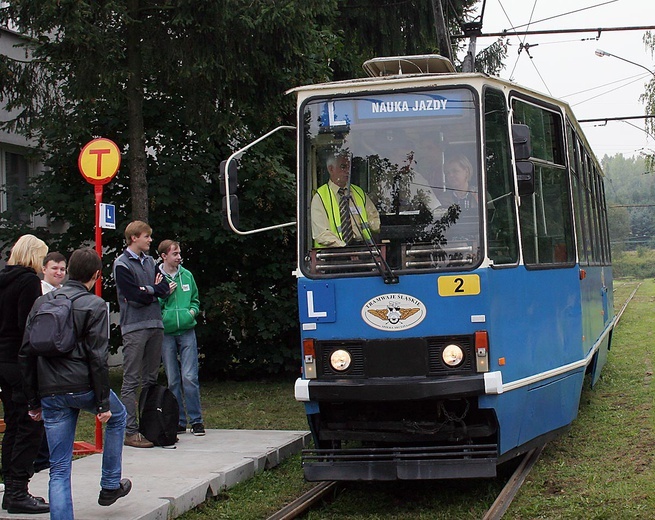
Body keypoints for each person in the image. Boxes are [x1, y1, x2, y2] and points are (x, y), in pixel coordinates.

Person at [20, 248, 131, 519]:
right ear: (96, 275)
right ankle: (109, 484)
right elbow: (97, 357)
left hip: (50, 391)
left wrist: (33, 401)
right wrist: (103, 402)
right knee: (118, 417)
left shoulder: (42, 303)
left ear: (68, 270)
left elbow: (26, 353)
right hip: (84, 387)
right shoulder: (93, 305)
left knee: (58, 468)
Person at [0, 234, 50, 514]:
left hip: (2, 360)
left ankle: (12, 488)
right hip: (19, 362)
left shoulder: (3, 280)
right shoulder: (28, 281)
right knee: (30, 425)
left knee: (13, 425)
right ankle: (18, 489)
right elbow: (27, 326)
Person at [113, 221, 169, 448]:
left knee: (151, 378)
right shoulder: (122, 264)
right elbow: (132, 296)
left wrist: (149, 289)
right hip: (135, 327)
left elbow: (165, 288)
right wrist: (150, 290)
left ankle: (150, 425)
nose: (150, 240)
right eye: (147, 236)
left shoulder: (150, 262)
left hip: (155, 323)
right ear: (134, 237)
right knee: (131, 380)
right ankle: (130, 431)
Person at [157, 240, 204, 436]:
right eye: (174, 253)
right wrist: (165, 293)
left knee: (189, 377)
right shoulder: (158, 277)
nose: (178, 257)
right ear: (164, 256)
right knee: (173, 379)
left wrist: (192, 312)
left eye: (179, 253)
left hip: (186, 330)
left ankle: (196, 420)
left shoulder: (187, 275)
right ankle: (178, 420)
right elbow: (153, 302)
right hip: (166, 332)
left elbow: (195, 298)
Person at [33, 251, 68, 474]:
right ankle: (40, 457)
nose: (58, 272)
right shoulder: (38, 294)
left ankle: (49, 455)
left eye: (62, 269)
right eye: (54, 268)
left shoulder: (65, 294)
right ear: (44, 269)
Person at [311, 152, 380, 248]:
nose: (348, 171)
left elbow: (374, 218)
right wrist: (344, 247)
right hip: (331, 254)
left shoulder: (358, 192)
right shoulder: (320, 197)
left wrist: (375, 227)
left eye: (349, 167)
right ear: (331, 169)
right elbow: (321, 234)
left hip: (362, 249)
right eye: (343, 167)